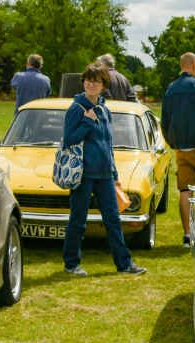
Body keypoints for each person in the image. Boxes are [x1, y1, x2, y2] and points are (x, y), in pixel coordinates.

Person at [62, 65, 146, 276]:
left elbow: (108, 144)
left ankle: (124, 264)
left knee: (113, 220)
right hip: (83, 175)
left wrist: (115, 175)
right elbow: (69, 140)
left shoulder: (105, 110)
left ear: (103, 85)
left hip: (105, 175)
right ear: (83, 82)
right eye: (88, 80)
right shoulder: (76, 109)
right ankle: (72, 264)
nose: (91, 84)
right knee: (78, 221)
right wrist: (87, 123)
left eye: (96, 81)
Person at [161, 52, 195, 248]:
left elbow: (165, 120)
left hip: (181, 148)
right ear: (194, 65)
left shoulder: (170, 89)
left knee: (185, 189)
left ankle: (187, 234)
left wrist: (173, 142)